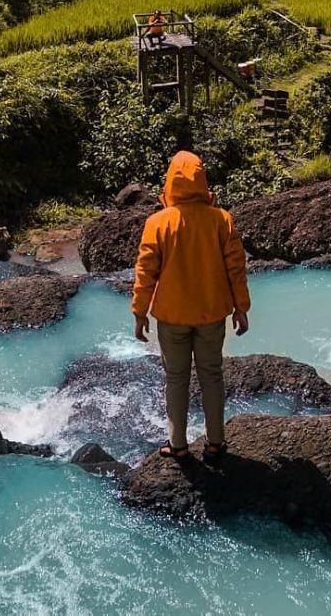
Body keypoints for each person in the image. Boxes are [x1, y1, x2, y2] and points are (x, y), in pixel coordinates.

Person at [131, 150, 251, 462]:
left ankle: (178, 445)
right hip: (212, 313)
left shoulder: (157, 222)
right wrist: (241, 307)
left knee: (176, 377)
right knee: (212, 375)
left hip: (171, 317)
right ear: (202, 183)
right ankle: (215, 443)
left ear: (170, 184)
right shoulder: (221, 220)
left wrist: (139, 312)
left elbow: (145, 273)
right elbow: (236, 268)